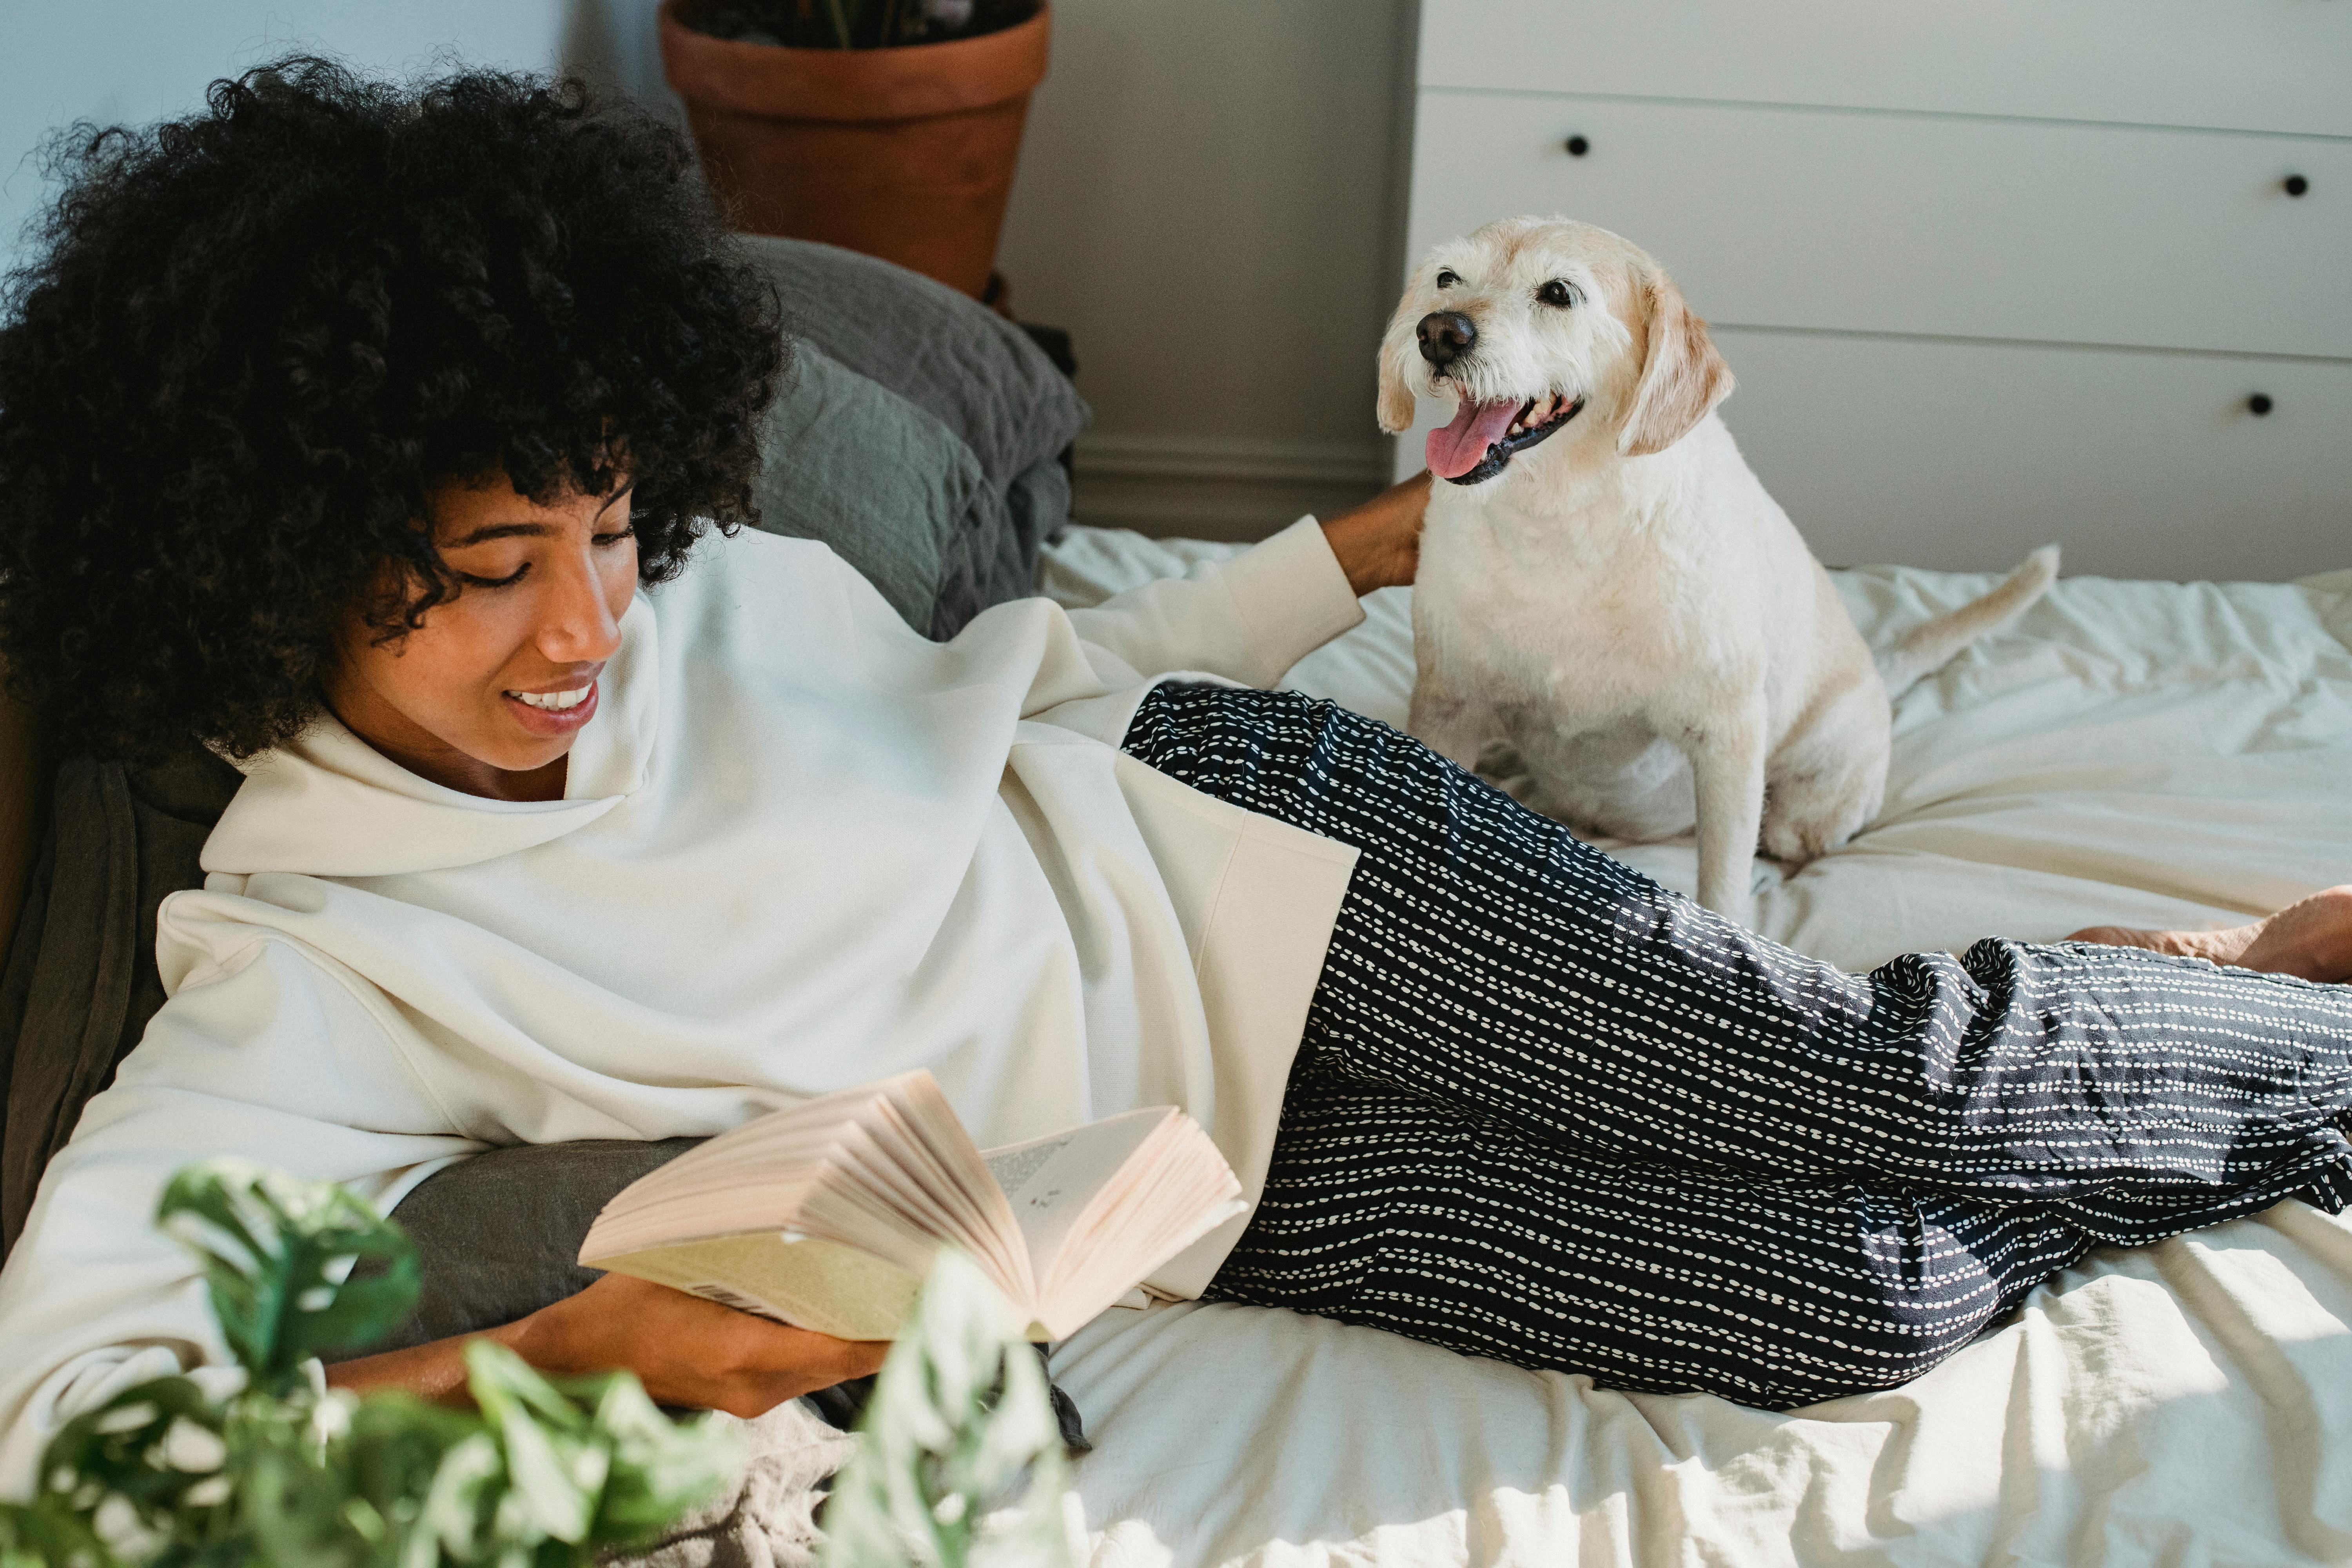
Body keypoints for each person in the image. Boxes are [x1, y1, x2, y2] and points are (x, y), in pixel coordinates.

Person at [2, 60, 2349, 1490]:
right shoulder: (302, 958)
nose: (597, 624)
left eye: (615, 529)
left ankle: (2284, 1022)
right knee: (1836, 1299)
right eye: (497, 565)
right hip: (1187, 1182)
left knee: (1867, 1076)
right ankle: (2182, 1011)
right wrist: (549, 1360)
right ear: (282, 560)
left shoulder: (706, 603)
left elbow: (1037, 680)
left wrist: (1338, 553)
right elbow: (70, 1445)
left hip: (1246, 848)